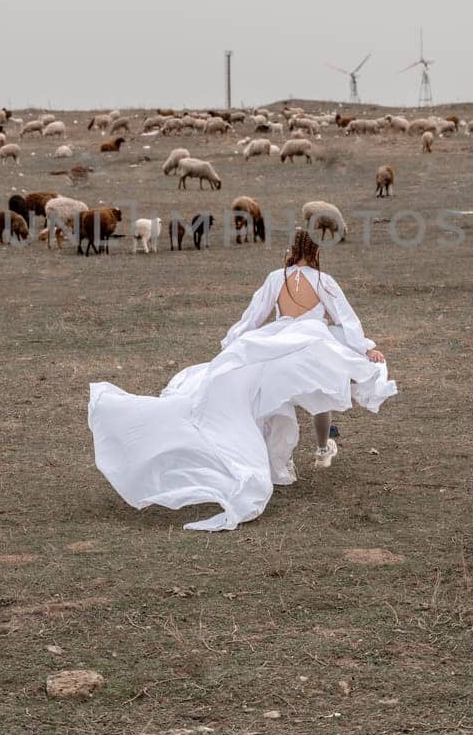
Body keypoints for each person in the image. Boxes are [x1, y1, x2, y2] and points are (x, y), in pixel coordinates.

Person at [88, 228, 396, 531]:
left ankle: (279, 465)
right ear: (316, 251)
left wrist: (232, 344)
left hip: (275, 342)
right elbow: (345, 317)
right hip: (309, 343)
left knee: (270, 400)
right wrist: (367, 348)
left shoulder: (277, 278)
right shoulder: (324, 281)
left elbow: (254, 315)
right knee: (320, 392)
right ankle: (320, 448)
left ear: (292, 250)